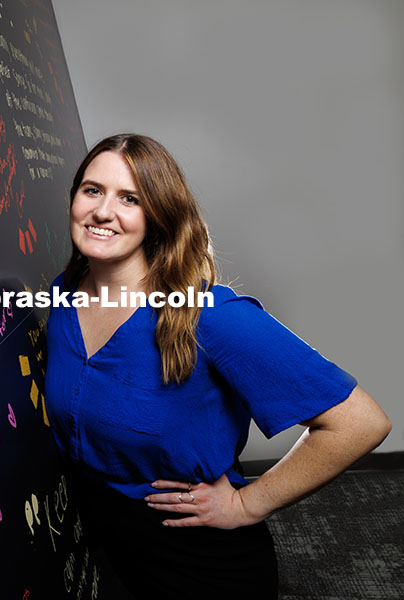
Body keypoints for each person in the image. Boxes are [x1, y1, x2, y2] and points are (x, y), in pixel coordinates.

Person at [44, 133, 392, 598]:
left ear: (158, 216)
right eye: (92, 190)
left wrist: (248, 504)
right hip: (101, 542)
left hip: (197, 559)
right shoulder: (64, 293)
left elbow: (360, 422)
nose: (103, 212)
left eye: (130, 198)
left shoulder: (210, 316)